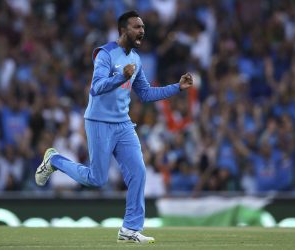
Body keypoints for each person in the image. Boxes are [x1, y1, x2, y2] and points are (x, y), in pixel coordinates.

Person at [35, 10, 193, 244]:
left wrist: (176, 88)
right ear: (123, 30)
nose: (142, 31)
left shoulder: (136, 60)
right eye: (136, 27)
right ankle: (54, 160)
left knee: (139, 172)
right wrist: (121, 77)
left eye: (142, 27)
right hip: (98, 122)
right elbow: (96, 87)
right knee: (97, 179)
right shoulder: (105, 54)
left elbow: (146, 94)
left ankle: (130, 229)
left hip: (123, 124)